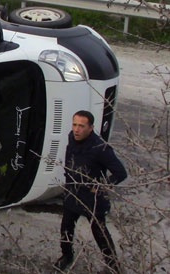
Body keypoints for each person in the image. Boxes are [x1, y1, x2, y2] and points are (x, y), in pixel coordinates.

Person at [55, 110, 127, 273]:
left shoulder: (100, 148)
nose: (76, 129)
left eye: (81, 126)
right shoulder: (71, 137)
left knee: (100, 233)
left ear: (91, 128)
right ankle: (66, 256)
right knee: (66, 228)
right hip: (73, 193)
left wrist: (102, 185)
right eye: (74, 124)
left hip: (92, 199)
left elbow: (120, 173)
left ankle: (113, 265)